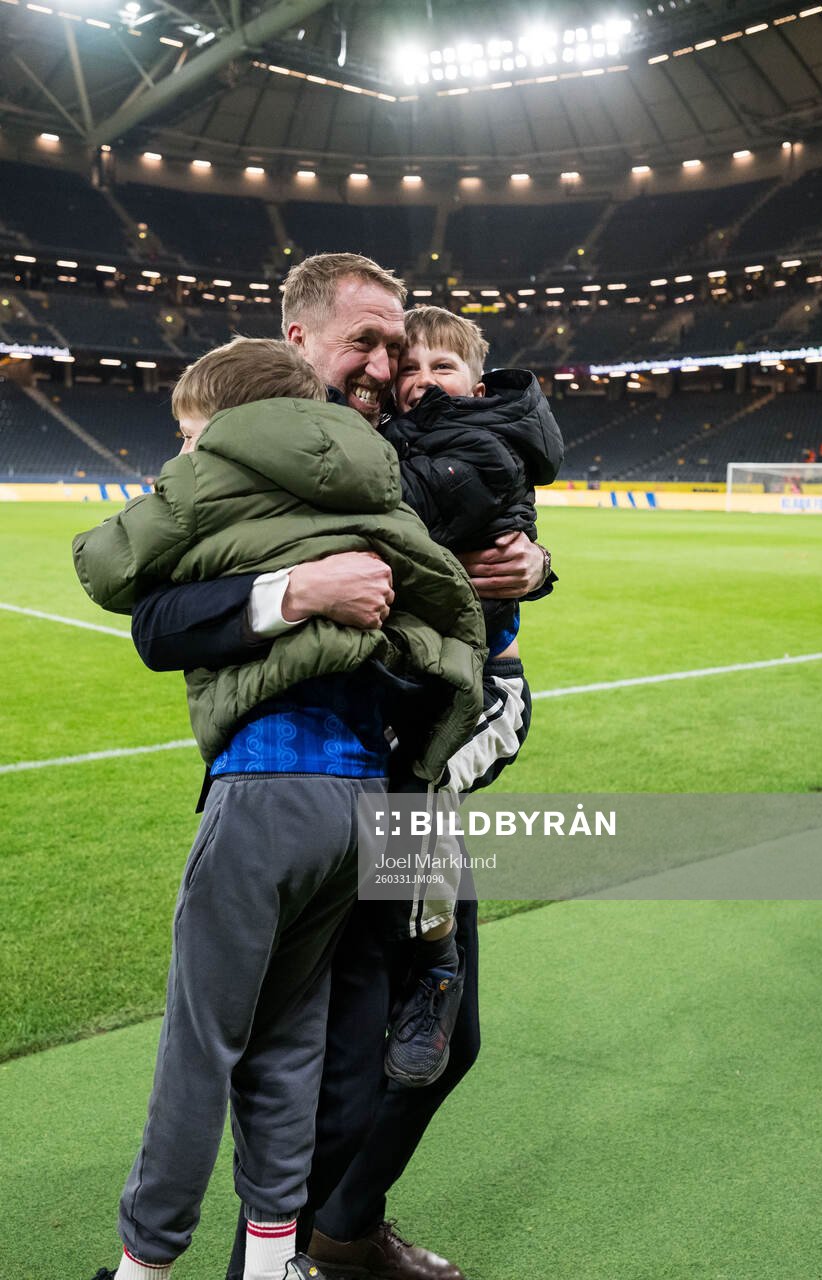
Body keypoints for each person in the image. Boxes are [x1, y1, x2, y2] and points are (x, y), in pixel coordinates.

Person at [127, 254, 552, 1280]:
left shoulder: (403, 440)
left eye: (394, 345)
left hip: (407, 798)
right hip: (299, 787)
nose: (383, 362)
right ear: (299, 341)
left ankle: (343, 1231)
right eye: (362, 341)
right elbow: (158, 616)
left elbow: (478, 526)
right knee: (316, 1072)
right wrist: (297, 589)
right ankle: (274, 1257)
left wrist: (534, 566)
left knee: (443, 1042)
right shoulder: (249, 440)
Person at [377, 305, 563, 1089]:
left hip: (484, 687)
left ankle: (437, 964)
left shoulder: (477, 445)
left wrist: (538, 564)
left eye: (441, 368)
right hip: (421, 682)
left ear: (475, 383)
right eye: (407, 370)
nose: (422, 384)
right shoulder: (402, 439)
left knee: (419, 787)